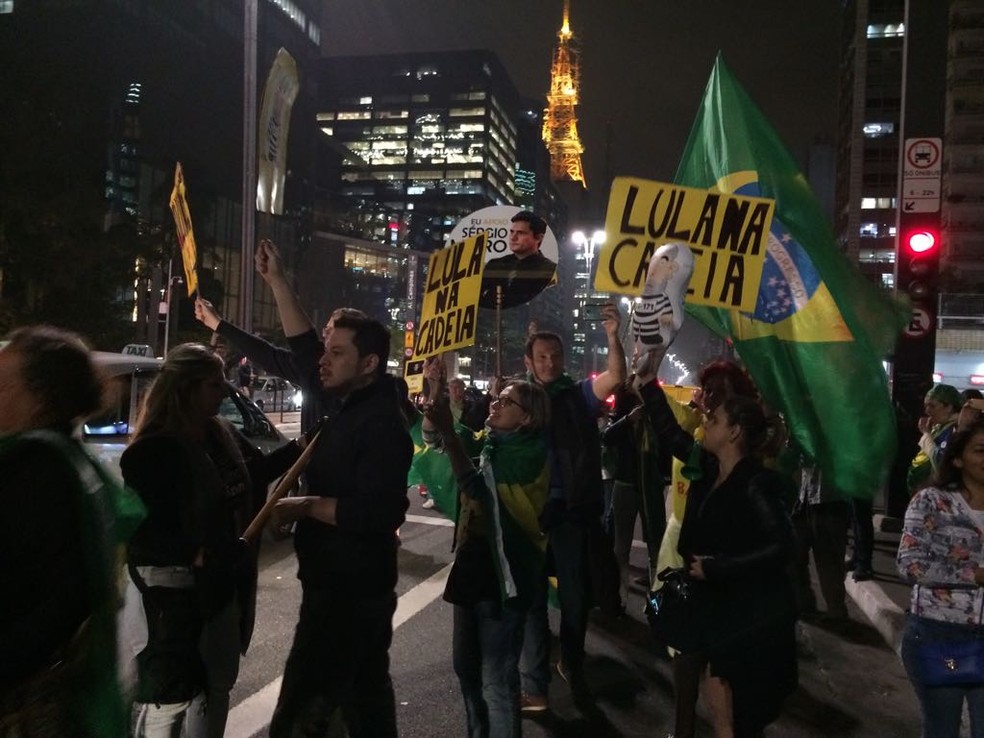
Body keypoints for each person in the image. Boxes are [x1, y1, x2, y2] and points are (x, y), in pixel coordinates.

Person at [120, 343, 302, 738]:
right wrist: (198, 553)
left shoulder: (222, 435)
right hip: (176, 601)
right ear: (186, 388)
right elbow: (141, 533)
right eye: (213, 383)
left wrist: (302, 448)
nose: (224, 390)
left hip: (224, 588)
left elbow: (256, 474)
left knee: (218, 685)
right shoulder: (153, 450)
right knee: (173, 698)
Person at [267, 314, 413, 738]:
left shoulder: (381, 423)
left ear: (368, 363)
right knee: (364, 706)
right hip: (339, 589)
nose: (322, 362)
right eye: (324, 352)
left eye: (336, 353)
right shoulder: (346, 410)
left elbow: (380, 514)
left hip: (347, 599)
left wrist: (307, 507)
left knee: (303, 714)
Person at [0, 326, 145, 738]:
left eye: (4, 384)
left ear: (38, 397)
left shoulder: (32, 470)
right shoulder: (73, 464)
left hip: (26, 709)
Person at [636, 371, 798, 738]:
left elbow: (782, 547)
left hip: (745, 608)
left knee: (734, 708)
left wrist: (718, 567)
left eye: (713, 420)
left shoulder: (758, 483)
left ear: (735, 432)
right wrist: (648, 384)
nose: (704, 423)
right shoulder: (708, 468)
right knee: (713, 690)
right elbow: (669, 432)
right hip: (710, 601)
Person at [422, 370, 551, 738]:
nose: (495, 403)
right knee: (466, 669)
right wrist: (436, 397)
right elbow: (433, 438)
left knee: (496, 679)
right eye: (497, 398)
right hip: (472, 569)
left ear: (526, 417)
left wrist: (450, 430)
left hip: (505, 577)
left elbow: (475, 488)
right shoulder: (489, 443)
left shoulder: (530, 453)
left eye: (505, 401)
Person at [519, 304, 626, 711]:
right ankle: (534, 682)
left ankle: (572, 658)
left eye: (555, 357)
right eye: (541, 357)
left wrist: (614, 336)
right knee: (530, 599)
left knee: (577, 597)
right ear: (528, 362)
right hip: (529, 512)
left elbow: (616, 376)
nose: (549, 363)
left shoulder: (577, 395)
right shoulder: (517, 398)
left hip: (570, 512)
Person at [194, 239, 368, 433]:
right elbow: (268, 355)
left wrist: (278, 282)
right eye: (326, 330)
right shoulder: (316, 371)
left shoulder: (364, 402)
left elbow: (305, 347)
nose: (326, 336)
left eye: (334, 334)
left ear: (367, 361)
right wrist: (218, 324)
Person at [898, 420, 984, 738]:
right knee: (943, 728)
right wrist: (973, 575)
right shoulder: (931, 502)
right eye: (981, 450)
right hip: (942, 640)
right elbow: (910, 565)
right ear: (958, 458)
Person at [792, 460, 850, 622]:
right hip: (806, 497)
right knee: (796, 554)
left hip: (830, 499)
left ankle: (836, 611)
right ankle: (805, 604)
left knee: (828, 559)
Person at [478, 211, 556, 309]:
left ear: (538, 238)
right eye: (511, 232)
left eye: (521, 233)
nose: (513, 237)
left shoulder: (547, 269)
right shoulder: (495, 264)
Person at [908, 384, 962, 494]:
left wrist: (926, 435)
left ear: (949, 407)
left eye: (932, 406)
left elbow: (941, 463)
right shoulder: (939, 427)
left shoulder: (955, 429)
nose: (927, 411)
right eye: (926, 406)